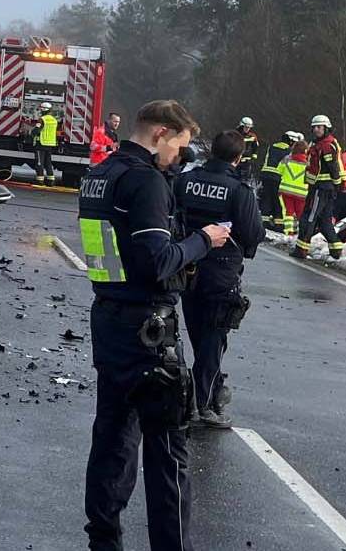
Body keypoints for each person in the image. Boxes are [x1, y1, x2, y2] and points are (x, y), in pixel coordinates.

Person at [78, 100, 228, 551]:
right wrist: (204, 240)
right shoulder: (145, 181)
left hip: (108, 317)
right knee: (168, 453)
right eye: (179, 146)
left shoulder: (100, 174)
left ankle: (103, 542)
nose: (179, 158)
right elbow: (158, 262)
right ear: (161, 133)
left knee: (112, 440)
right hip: (149, 330)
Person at [174, 130, 263, 430]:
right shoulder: (239, 190)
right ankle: (204, 403)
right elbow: (252, 234)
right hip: (222, 273)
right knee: (213, 339)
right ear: (238, 158)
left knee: (198, 334)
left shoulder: (186, 180)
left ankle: (208, 392)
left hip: (187, 265)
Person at [299, 115, 346, 258]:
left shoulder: (326, 145)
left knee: (309, 217)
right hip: (322, 187)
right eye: (314, 127)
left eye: (319, 127)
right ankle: (336, 249)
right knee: (325, 220)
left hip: (321, 188)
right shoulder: (320, 143)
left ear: (326, 128)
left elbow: (333, 166)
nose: (316, 130)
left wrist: (338, 183)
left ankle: (301, 249)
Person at [256, 131, 295, 231]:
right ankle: (279, 223)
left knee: (266, 197)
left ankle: (264, 220)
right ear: (290, 141)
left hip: (266, 174)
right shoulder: (289, 150)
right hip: (277, 176)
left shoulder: (272, 147)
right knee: (277, 200)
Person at [276, 140, 310, 238]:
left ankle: (289, 232)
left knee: (288, 211)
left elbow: (279, 170)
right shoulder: (308, 163)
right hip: (302, 193)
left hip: (286, 190)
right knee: (300, 213)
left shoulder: (287, 159)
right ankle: (301, 233)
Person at [34, 103, 60, 185]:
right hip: (50, 144)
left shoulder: (42, 119)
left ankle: (40, 180)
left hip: (41, 143)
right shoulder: (54, 120)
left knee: (39, 162)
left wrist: (31, 133)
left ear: (42, 110)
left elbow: (36, 131)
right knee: (48, 162)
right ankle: (50, 180)